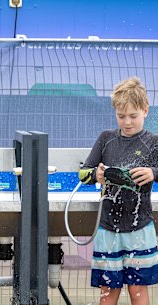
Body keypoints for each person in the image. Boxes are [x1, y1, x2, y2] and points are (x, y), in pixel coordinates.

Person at [79, 77, 158, 305]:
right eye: (121, 116)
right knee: (108, 291)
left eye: (133, 116)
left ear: (145, 110)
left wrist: (153, 172)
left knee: (137, 290)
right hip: (108, 230)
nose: (127, 122)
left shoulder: (153, 143)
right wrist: (97, 175)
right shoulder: (106, 139)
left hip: (140, 228)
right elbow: (83, 173)